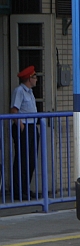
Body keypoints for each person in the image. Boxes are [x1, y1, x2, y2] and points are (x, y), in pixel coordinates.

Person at [10, 65, 38, 201]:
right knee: (22, 160)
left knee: (31, 160)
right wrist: (22, 128)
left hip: (32, 126)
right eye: (34, 77)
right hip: (24, 127)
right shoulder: (19, 91)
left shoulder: (30, 92)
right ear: (29, 78)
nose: (36, 80)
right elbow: (14, 111)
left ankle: (25, 188)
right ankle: (17, 191)